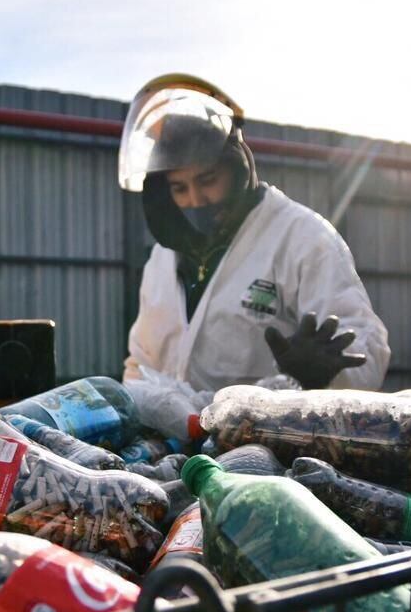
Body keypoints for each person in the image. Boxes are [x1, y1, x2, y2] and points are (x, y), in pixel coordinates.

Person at [119, 73, 391, 392]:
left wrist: (322, 376)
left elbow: (366, 346)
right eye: (179, 188)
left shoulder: (303, 237)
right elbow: (141, 362)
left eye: (208, 180)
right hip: (176, 439)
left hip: (269, 437)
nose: (195, 200)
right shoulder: (163, 258)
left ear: (236, 167)